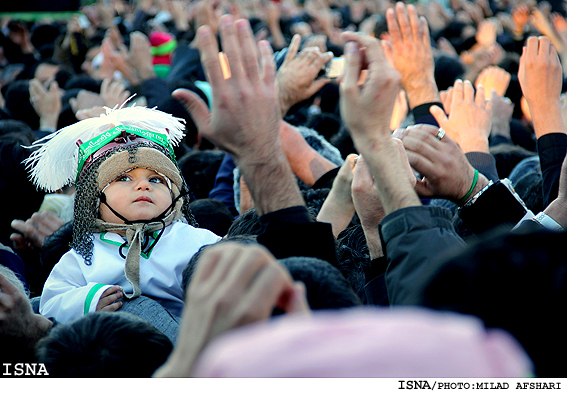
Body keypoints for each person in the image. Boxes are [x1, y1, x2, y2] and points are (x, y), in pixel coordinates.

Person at [27, 104, 220, 324]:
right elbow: (51, 303)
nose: (143, 186)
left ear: (175, 195)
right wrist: (89, 301)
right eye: (124, 178)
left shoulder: (197, 240)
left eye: (155, 179)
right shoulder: (82, 254)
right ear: (94, 199)